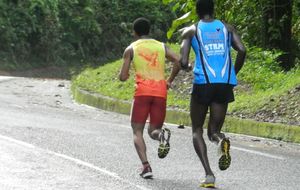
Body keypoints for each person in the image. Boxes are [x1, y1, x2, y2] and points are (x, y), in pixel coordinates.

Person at [180, 0, 246, 188]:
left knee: (197, 130)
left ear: (197, 11)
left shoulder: (191, 30)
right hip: (224, 84)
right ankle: (221, 140)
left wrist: (189, 66)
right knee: (214, 131)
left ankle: (209, 175)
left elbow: (183, 62)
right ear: (213, 10)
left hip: (203, 83)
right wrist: (233, 72)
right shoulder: (227, 28)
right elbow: (242, 50)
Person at [119, 17, 180, 179]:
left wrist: (126, 72)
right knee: (154, 130)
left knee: (137, 130)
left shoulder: (131, 49)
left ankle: (146, 167)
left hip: (142, 93)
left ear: (135, 32)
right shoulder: (161, 46)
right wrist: (169, 80)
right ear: (149, 30)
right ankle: (161, 136)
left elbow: (123, 76)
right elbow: (178, 60)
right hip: (160, 92)